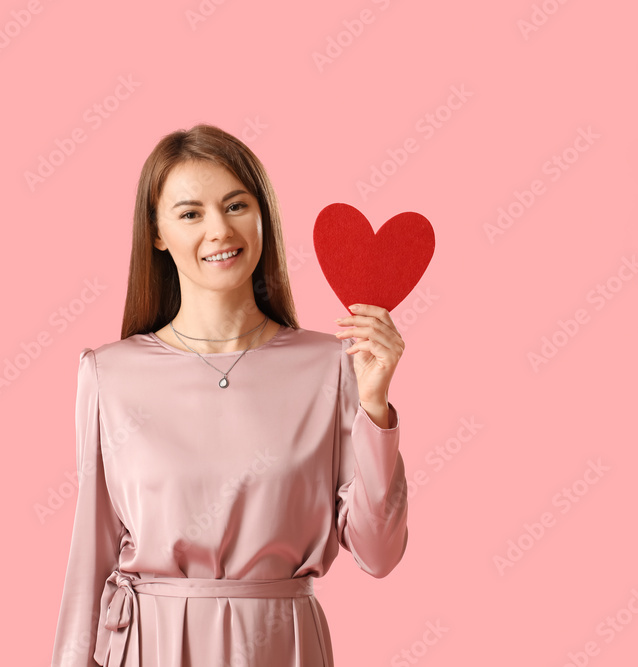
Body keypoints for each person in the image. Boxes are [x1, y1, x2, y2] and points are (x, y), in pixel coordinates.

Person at [50, 123, 408, 667]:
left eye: (236, 204)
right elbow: (90, 556)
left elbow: (379, 555)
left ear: (263, 215)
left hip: (282, 648)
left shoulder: (333, 365)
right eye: (190, 213)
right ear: (157, 234)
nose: (219, 229)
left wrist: (376, 406)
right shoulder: (110, 374)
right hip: (152, 649)